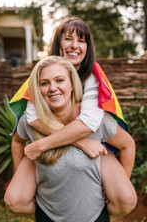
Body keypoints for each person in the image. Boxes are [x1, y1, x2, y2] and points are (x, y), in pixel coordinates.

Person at [7, 17, 137, 217]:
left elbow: (89, 123)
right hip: (63, 146)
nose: (74, 45)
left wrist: (42, 145)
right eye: (68, 39)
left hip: (96, 143)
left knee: (123, 196)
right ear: (58, 44)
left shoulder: (94, 80)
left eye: (81, 40)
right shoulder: (40, 75)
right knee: (15, 198)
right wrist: (82, 143)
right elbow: (33, 118)